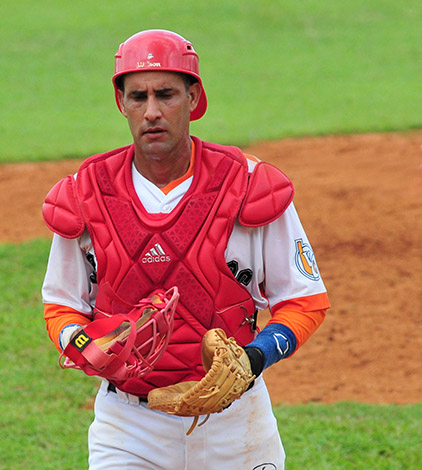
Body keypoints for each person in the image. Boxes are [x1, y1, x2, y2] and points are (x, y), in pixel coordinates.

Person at [40, 29, 330, 470]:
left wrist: (255, 357)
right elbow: (61, 307)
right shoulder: (86, 195)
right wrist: (84, 344)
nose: (152, 112)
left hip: (237, 424)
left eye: (167, 95)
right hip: (129, 428)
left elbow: (305, 302)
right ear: (121, 102)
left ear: (194, 97)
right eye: (137, 96)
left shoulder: (248, 186)